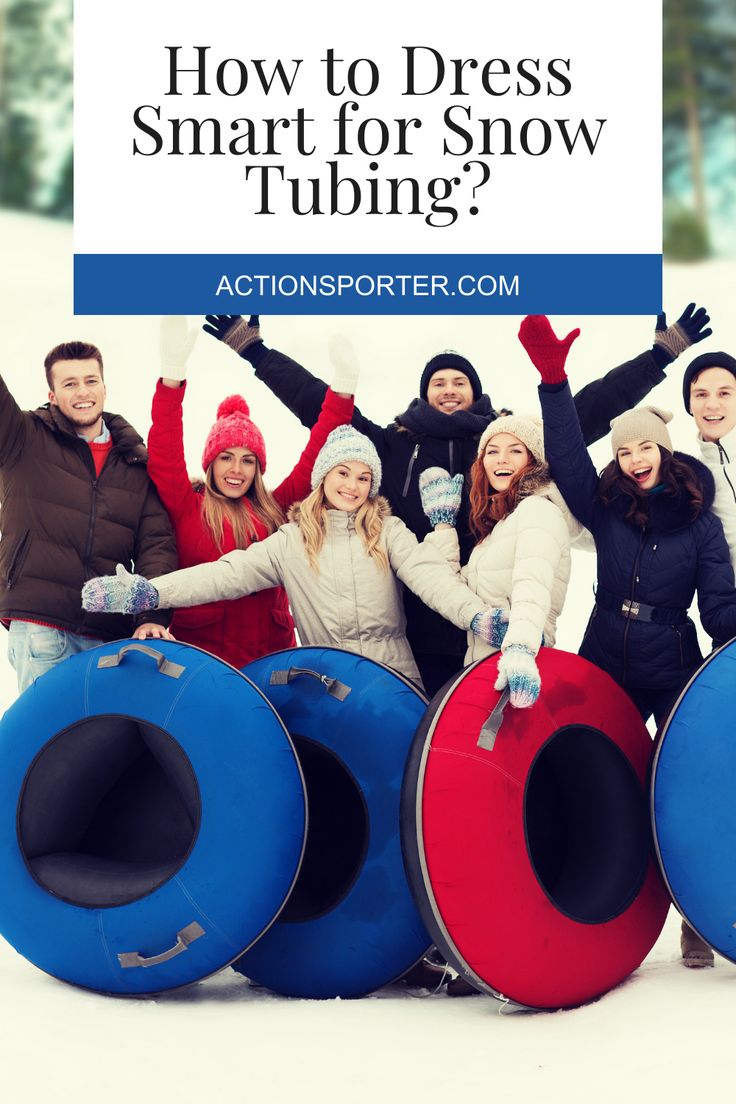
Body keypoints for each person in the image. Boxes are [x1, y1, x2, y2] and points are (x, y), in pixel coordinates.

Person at [201, 307, 712, 695]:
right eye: (438, 383)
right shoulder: (393, 444)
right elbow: (319, 404)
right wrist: (256, 353)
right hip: (414, 620)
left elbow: (585, 412)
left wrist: (659, 356)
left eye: (459, 381)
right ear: (424, 394)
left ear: (475, 392)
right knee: (412, 736)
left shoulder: (502, 439)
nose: (449, 389)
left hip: (493, 616)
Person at [524, 315, 736, 970]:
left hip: (672, 662)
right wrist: (554, 384)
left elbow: (720, 603)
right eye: (624, 451)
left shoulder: (699, 523)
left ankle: (695, 914)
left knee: (681, 787)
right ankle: (569, 888)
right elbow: (562, 453)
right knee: (585, 773)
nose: (635, 459)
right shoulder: (606, 506)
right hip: (603, 660)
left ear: (663, 451)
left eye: (644, 448)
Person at [81, 424, 498, 690]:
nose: (352, 486)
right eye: (343, 473)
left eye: (363, 477)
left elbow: (432, 579)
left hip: (393, 679)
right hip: (328, 683)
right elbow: (224, 575)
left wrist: (475, 616)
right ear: (323, 477)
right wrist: (150, 593)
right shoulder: (291, 541)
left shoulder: (387, 532)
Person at [418, 415, 585, 997]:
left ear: (534, 459)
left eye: (516, 449)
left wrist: (519, 649)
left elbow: (535, 585)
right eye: (493, 449)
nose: (502, 457)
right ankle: (477, 946)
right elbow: (454, 590)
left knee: (501, 815)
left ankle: (506, 949)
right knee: (484, 816)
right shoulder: (499, 522)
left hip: (513, 679)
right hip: (484, 676)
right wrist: (443, 527)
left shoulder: (539, 511)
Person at [147, 318, 356, 668]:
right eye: (226, 457)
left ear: (259, 468)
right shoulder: (187, 506)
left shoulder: (276, 509)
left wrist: (343, 390)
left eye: (248, 460)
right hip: (202, 663)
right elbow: (164, 448)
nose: (236, 469)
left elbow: (318, 453)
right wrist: (171, 377)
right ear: (210, 463)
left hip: (269, 662)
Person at [0, 340, 177, 693]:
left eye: (90, 381)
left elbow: (156, 546)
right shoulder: (24, 437)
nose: (83, 391)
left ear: (104, 387)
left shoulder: (135, 463)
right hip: (42, 626)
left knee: (100, 745)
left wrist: (152, 617)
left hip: (109, 635)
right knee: (48, 739)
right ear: (52, 395)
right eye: (69, 384)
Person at [682, 351, 736, 572]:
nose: (712, 405)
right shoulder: (691, 482)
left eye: (724, 393)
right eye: (701, 394)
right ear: (689, 404)